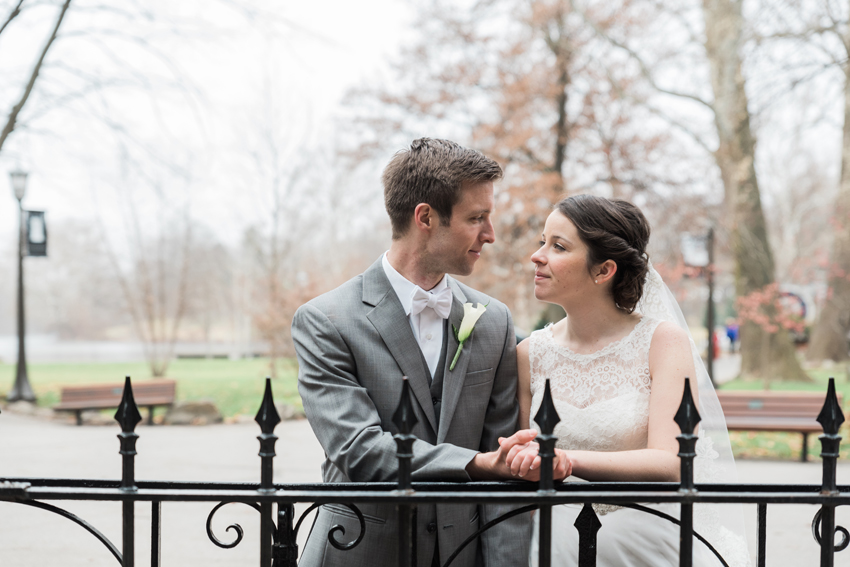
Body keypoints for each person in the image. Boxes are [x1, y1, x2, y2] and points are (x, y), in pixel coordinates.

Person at [291, 138, 567, 567]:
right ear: (425, 217)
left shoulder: (492, 320)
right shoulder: (326, 321)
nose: (489, 235)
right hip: (358, 552)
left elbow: (506, 479)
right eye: (476, 218)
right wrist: (477, 463)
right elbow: (359, 450)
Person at [499, 195, 750, 567]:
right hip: (554, 541)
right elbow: (522, 472)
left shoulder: (662, 343)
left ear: (603, 271)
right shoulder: (529, 354)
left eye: (558, 246)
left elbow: (673, 461)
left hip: (646, 537)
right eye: (542, 242)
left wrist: (566, 460)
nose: (538, 256)